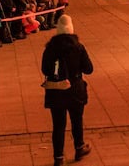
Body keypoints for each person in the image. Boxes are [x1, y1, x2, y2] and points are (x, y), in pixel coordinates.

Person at [40, 15, 92, 166]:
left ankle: (58, 157)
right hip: (75, 89)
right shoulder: (78, 47)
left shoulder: (50, 48)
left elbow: (44, 69)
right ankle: (79, 147)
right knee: (77, 120)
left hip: (56, 91)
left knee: (58, 125)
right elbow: (89, 69)